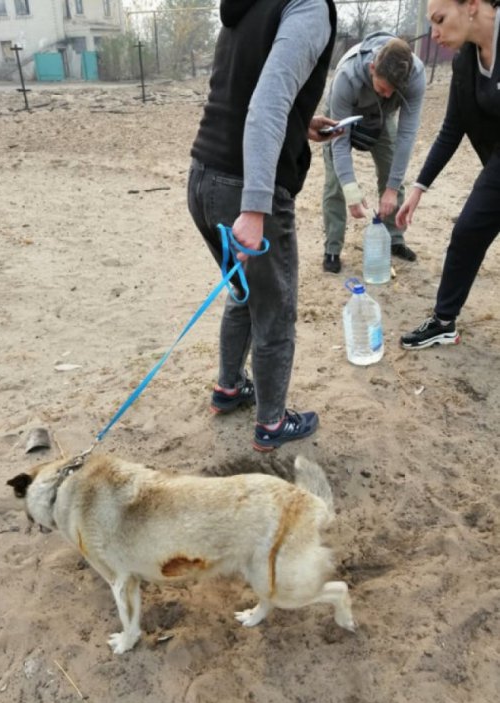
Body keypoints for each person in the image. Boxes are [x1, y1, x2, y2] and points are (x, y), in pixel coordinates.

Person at [188, 0, 337, 451]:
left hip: (203, 177)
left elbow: (247, 93)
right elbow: (266, 103)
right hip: (248, 187)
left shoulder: (249, 6)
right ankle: (271, 423)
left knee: (243, 294)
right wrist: (256, 207)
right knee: (274, 312)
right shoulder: (308, 6)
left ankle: (229, 388)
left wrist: (301, 124)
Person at [398, 0, 500, 349]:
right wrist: (417, 189)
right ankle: (443, 321)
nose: (435, 33)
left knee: (470, 226)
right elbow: (451, 130)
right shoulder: (465, 62)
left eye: (440, 20)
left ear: (471, 5)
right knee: (468, 231)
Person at [321, 32, 426, 274]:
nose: (388, 94)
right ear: (371, 68)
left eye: (393, 91)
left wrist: (391, 188)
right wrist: (351, 190)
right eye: (383, 87)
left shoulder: (416, 76)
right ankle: (333, 248)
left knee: (392, 174)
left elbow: (407, 135)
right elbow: (339, 142)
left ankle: (395, 239)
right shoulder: (347, 77)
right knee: (336, 184)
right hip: (345, 111)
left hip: (382, 115)